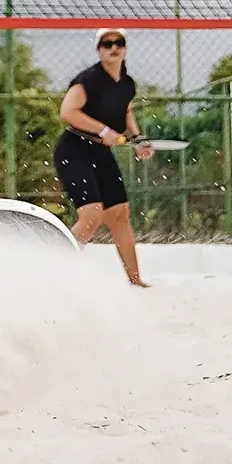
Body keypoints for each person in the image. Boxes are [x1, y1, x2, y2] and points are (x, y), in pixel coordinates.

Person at [54, 27, 154, 287]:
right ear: (98, 49)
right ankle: (51, 268)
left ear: (125, 48)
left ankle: (135, 280)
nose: (113, 47)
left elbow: (127, 113)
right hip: (74, 149)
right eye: (106, 43)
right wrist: (103, 130)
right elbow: (67, 111)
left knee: (120, 213)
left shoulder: (127, 84)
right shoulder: (87, 80)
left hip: (101, 151)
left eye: (118, 42)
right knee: (92, 215)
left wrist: (138, 140)